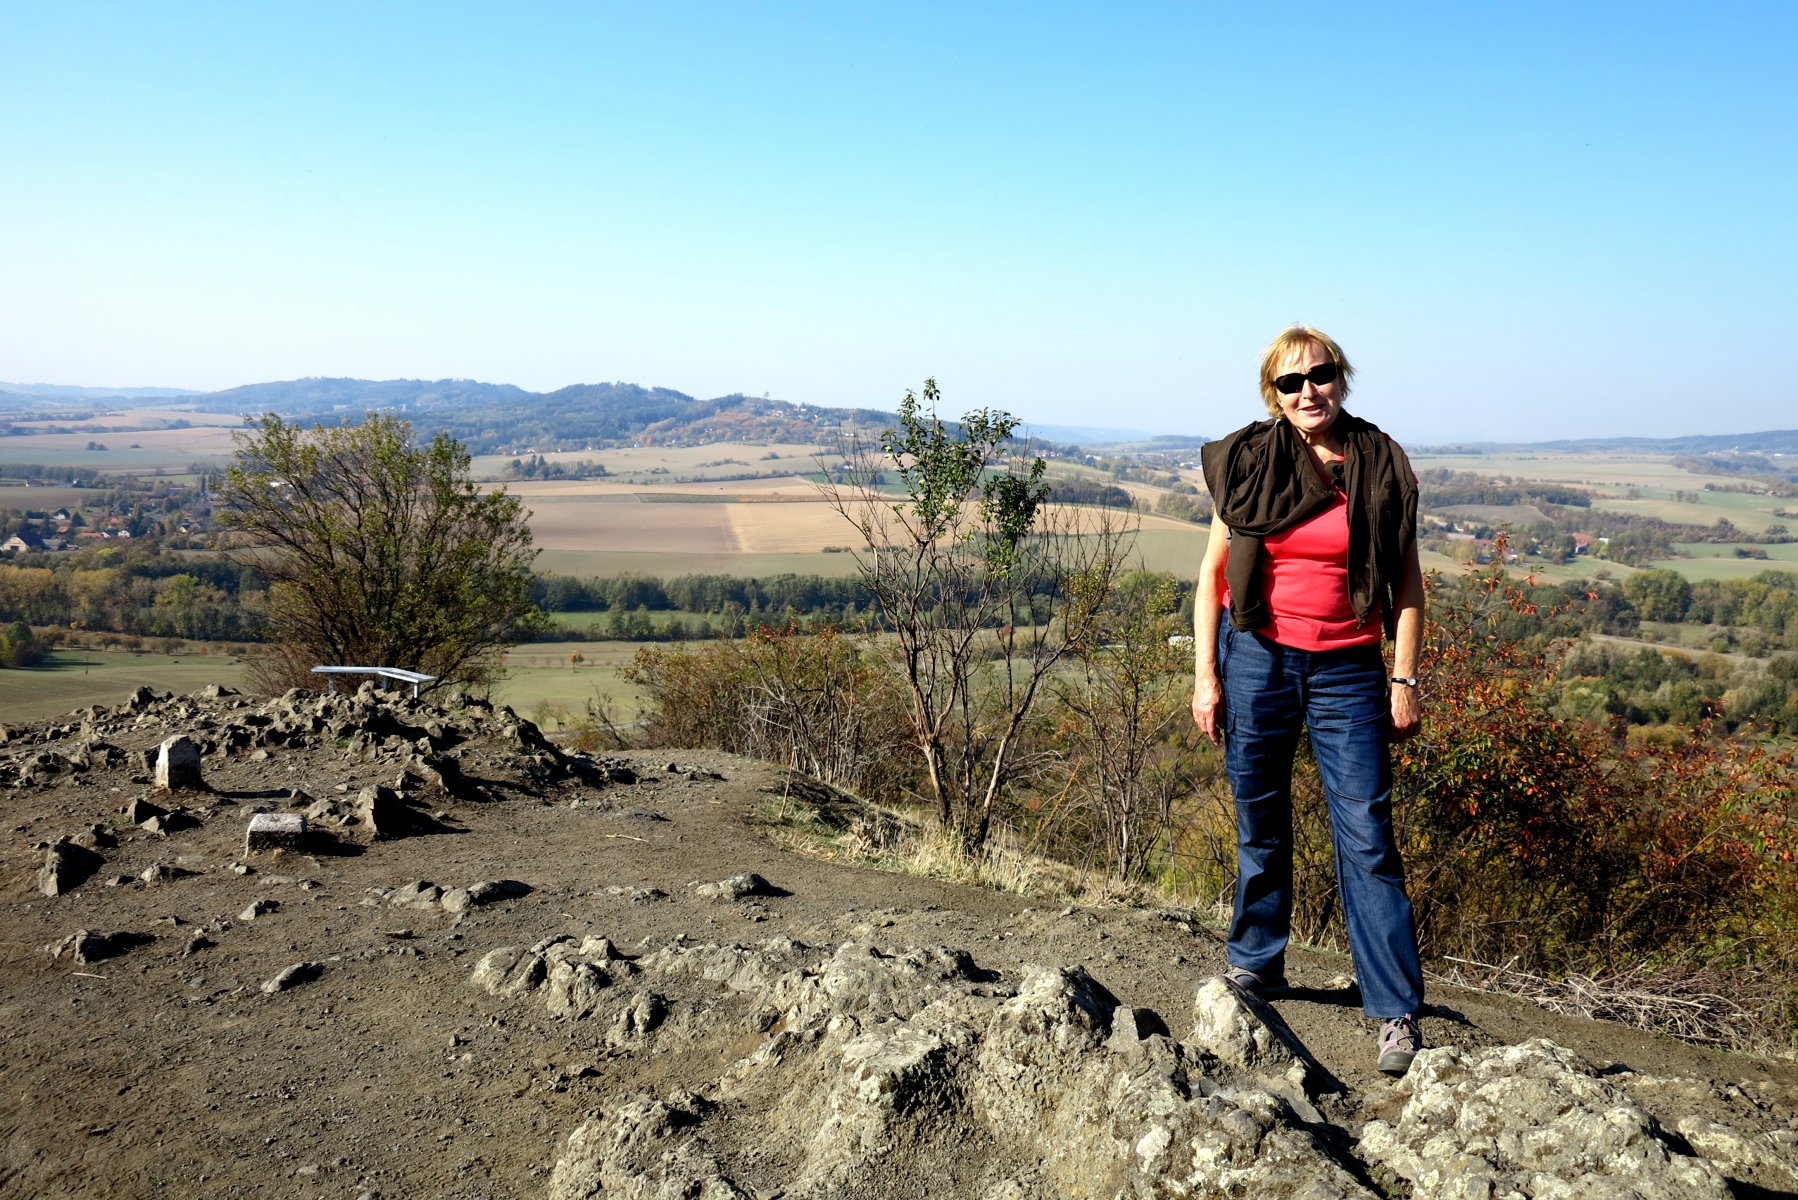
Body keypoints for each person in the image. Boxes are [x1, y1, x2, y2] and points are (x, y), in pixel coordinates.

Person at [1191, 325, 1427, 1075]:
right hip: (1257, 657)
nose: (1307, 392)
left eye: (1319, 375)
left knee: (1367, 834)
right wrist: (1206, 674)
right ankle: (1258, 962)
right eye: (1289, 382)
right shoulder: (1248, 461)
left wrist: (1404, 677)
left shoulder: (1379, 462)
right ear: (1273, 393)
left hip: (1348, 669)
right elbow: (1213, 575)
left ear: (1341, 378)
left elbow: (1407, 583)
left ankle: (1393, 1009)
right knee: (1259, 816)